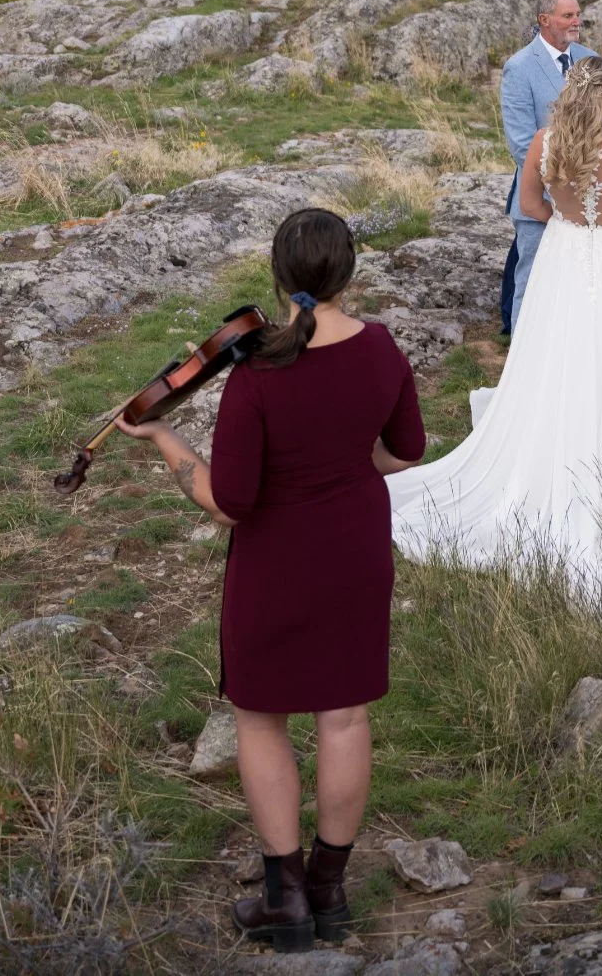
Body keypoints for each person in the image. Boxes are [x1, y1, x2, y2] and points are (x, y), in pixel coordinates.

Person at [115, 209, 426, 953]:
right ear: (350, 274)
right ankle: (330, 890)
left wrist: (162, 436)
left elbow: (230, 502)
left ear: (280, 277)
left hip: (275, 565)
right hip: (354, 553)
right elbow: (405, 451)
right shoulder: (382, 349)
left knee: (260, 719)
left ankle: (285, 899)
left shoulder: (259, 374)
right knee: (344, 716)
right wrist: (345, 468)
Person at [389, 54, 602, 625]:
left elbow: (528, 207)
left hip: (563, 252)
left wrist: (568, 218)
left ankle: (555, 431)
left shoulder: (544, 145)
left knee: (556, 350)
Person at [498, 0, 601, 335]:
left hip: (589, 192)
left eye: (577, 14)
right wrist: (561, 184)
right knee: (532, 278)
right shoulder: (520, 67)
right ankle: (523, 353)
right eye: (567, 15)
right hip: (540, 193)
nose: (576, 21)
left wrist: (589, 179)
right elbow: (522, 144)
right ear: (544, 20)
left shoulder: (590, 59)